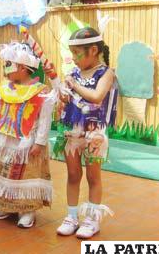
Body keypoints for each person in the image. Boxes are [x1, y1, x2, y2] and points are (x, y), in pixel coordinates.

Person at [0, 41, 58, 228]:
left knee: (26, 175)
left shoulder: (41, 92)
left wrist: (40, 143)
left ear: (24, 68)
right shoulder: (5, 88)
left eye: (9, 64)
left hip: (28, 142)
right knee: (4, 171)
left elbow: (44, 120)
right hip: (7, 139)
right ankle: (7, 205)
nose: (6, 68)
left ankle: (27, 210)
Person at [55, 27, 117, 239]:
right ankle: (71, 217)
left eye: (77, 53)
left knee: (93, 176)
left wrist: (74, 85)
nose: (73, 58)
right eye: (72, 53)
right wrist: (62, 94)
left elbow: (97, 96)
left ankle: (92, 220)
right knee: (73, 174)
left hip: (94, 133)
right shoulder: (73, 73)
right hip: (72, 130)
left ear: (93, 50)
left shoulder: (106, 73)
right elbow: (66, 99)